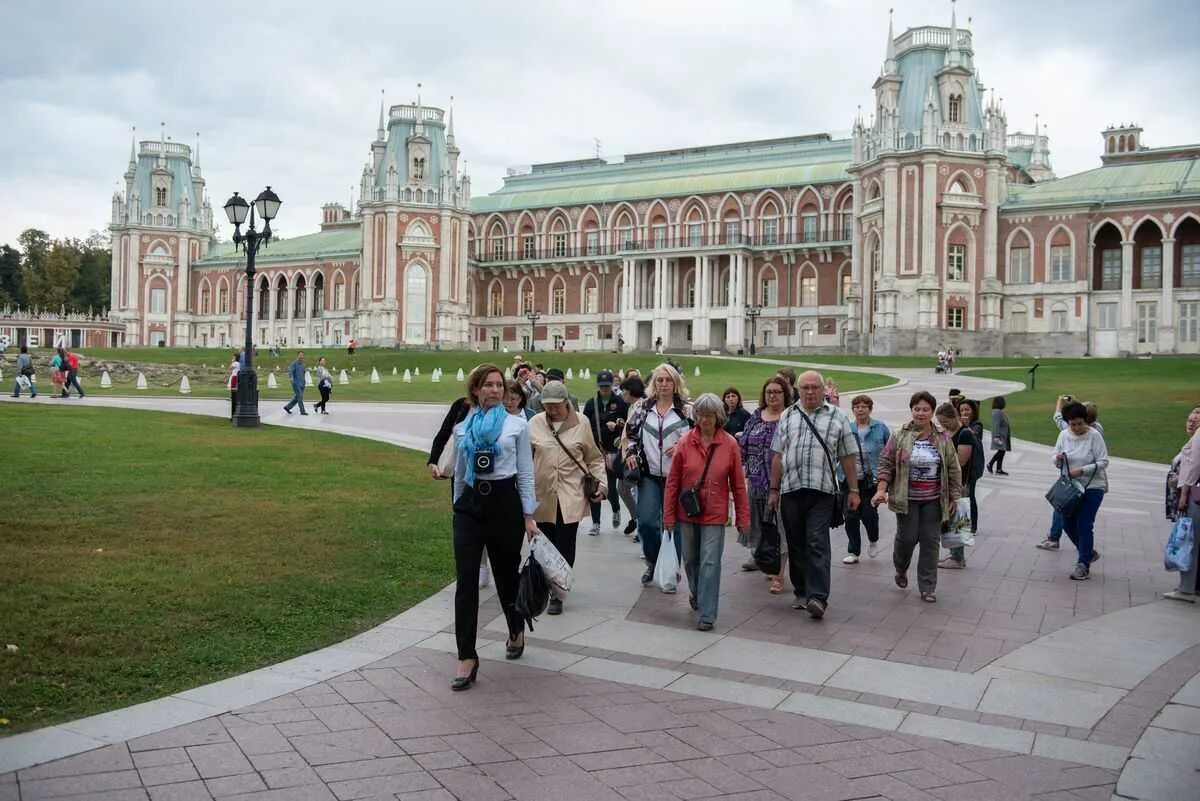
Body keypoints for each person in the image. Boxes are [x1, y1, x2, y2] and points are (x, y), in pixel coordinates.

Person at [450, 364, 539, 690]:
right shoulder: (463, 428)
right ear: (475, 390)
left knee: (506, 577)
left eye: (499, 385)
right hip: (471, 507)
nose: (495, 390)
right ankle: (466, 656)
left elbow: (525, 473)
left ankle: (515, 628)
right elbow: (460, 474)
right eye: (487, 385)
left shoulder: (517, 425)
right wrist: (457, 510)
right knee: (466, 582)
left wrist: (529, 516)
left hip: (504, 505)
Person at [767, 370, 859, 619]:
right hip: (791, 488)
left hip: (823, 489)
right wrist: (774, 490)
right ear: (798, 389)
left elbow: (848, 456)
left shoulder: (837, 416)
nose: (809, 392)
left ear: (823, 390)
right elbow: (777, 454)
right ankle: (801, 589)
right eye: (805, 388)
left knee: (817, 542)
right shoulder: (788, 415)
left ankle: (818, 597)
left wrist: (854, 489)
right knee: (796, 541)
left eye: (814, 388)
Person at [664, 393, 750, 631]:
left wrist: (743, 517)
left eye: (710, 415)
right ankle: (697, 593)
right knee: (691, 560)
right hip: (688, 512)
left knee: (710, 563)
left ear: (718, 417)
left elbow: (739, 485)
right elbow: (673, 482)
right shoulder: (684, 442)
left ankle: (707, 613)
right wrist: (668, 516)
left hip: (714, 513)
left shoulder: (730, 444)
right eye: (701, 414)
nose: (705, 419)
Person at [872, 392, 962, 603]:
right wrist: (881, 489)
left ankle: (927, 586)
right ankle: (901, 568)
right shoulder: (900, 435)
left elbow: (953, 467)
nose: (921, 413)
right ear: (912, 410)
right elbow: (885, 463)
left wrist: (954, 497)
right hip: (907, 499)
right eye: (917, 409)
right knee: (908, 539)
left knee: (930, 542)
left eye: (925, 409)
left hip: (934, 500)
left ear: (932, 412)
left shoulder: (942, 437)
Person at [529, 381, 607, 615]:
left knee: (564, 544)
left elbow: (594, 458)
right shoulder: (534, 423)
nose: (552, 411)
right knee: (545, 544)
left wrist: (601, 484)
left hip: (570, 494)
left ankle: (558, 592)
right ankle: (547, 583)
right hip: (543, 494)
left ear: (567, 403)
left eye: (556, 406)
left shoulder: (581, 423)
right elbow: (524, 459)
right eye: (547, 406)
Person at [624, 363, 693, 589]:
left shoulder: (686, 410)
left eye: (668, 380)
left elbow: (699, 438)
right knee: (646, 523)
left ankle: (672, 567)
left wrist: (683, 445)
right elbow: (631, 436)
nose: (663, 384)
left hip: (678, 477)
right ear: (653, 384)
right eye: (659, 380)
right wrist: (631, 454)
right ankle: (653, 561)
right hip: (649, 474)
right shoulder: (643, 408)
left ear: (675, 383)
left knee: (674, 526)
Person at [739, 375, 789, 593]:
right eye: (769, 392)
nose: (773, 396)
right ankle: (763, 557)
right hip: (756, 481)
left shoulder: (790, 417)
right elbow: (744, 444)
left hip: (781, 483)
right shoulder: (756, 417)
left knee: (780, 528)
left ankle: (778, 574)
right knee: (759, 526)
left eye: (777, 392)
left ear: (785, 394)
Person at [1053, 402, 1109, 581]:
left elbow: (1103, 462)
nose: (1076, 428)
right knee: (1068, 524)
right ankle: (1088, 552)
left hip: (1092, 486)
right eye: (1072, 424)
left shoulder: (1094, 436)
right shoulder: (1063, 435)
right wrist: (1058, 459)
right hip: (1070, 487)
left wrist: (1082, 470)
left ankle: (1083, 564)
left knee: (1084, 524)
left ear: (1085, 421)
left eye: (1079, 423)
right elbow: (1055, 456)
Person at [842, 395, 891, 564]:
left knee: (869, 515)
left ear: (870, 409)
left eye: (864, 406)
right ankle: (853, 551)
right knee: (850, 516)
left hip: (872, 479)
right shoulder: (847, 428)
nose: (860, 409)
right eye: (856, 406)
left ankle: (873, 539)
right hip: (850, 478)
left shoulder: (880, 427)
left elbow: (889, 450)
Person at [935, 402, 980, 570]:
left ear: (953, 417)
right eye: (940, 422)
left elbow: (960, 462)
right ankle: (954, 554)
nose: (942, 425)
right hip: (948, 482)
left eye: (944, 421)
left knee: (958, 520)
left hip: (960, 483)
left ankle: (958, 558)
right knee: (951, 519)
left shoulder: (965, 434)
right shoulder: (949, 432)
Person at [583, 371, 629, 536]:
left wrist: (617, 426)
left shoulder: (621, 403)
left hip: (613, 451)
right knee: (594, 487)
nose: (604, 389)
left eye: (607, 386)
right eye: (602, 387)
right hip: (595, 451)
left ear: (612, 386)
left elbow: (628, 426)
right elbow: (584, 426)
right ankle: (596, 523)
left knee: (609, 487)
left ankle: (616, 509)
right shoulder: (591, 404)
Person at [1166, 404, 1200, 601]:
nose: (1193, 419)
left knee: (1189, 540)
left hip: (1194, 495)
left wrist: (1184, 493)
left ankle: (1186, 588)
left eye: (1198, 415)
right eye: (1192, 415)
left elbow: (1194, 466)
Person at [616, 376, 645, 538]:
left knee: (634, 490)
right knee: (624, 488)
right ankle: (636, 519)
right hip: (628, 455)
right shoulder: (632, 406)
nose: (622, 395)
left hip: (635, 457)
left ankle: (639, 522)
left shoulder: (640, 406)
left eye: (624, 391)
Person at [957, 399, 985, 536]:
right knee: (962, 496)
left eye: (967, 409)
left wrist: (966, 426)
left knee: (969, 495)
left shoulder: (977, 425)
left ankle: (972, 526)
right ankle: (962, 524)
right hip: (962, 467)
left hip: (972, 468)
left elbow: (974, 437)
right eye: (961, 410)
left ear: (973, 411)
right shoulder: (959, 426)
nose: (964, 412)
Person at [986, 396, 1011, 475]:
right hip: (1000, 436)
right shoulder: (997, 413)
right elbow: (996, 425)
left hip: (1002, 436)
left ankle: (999, 469)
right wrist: (996, 437)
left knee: (1002, 451)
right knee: (1001, 451)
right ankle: (990, 464)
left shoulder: (998, 412)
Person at [283, 351, 308, 415]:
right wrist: (291, 377)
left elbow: (303, 373)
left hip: (302, 384)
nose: (301, 356)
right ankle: (302, 411)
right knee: (300, 397)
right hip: (296, 383)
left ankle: (287, 407)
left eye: (302, 355)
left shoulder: (303, 364)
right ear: (297, 356)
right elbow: (290, 370)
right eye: (300, 355)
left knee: (297, 397)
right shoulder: (294, 363)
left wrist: (304, 382)